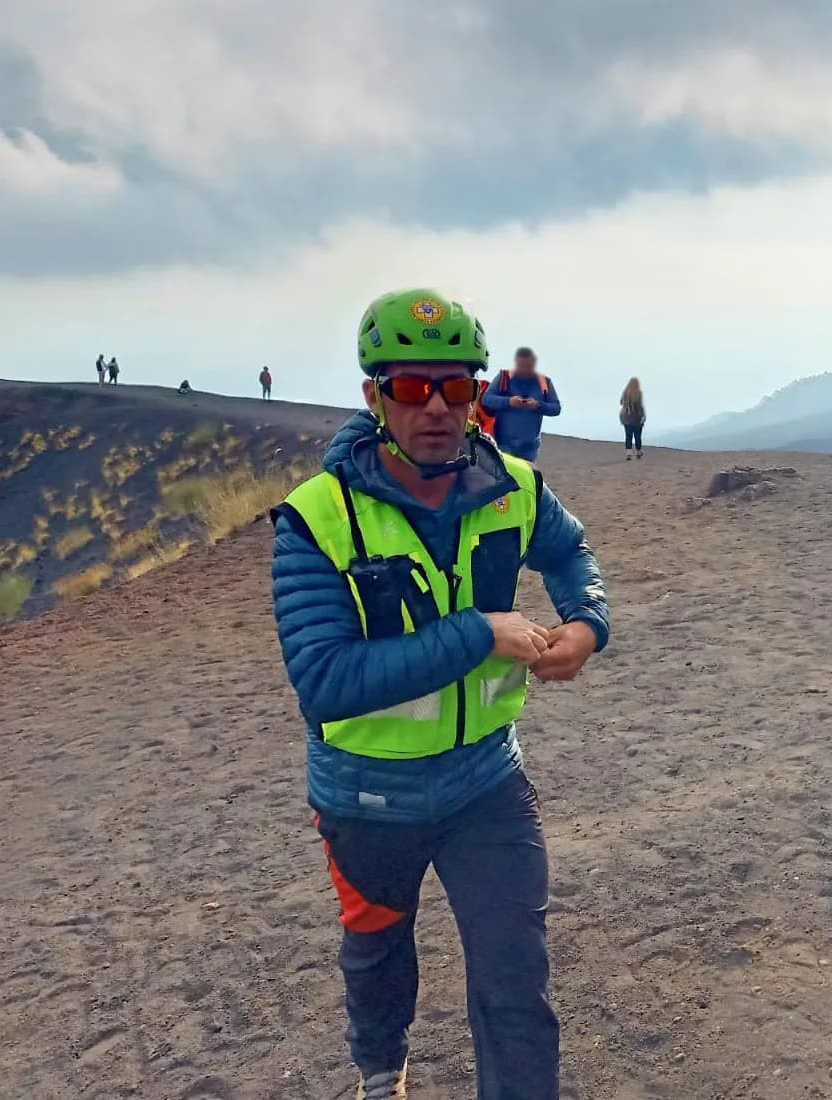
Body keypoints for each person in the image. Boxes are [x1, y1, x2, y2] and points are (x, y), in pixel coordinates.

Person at [268, 287, 610, 1099]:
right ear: (373, 397)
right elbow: (323, 680)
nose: (436, 407)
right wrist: (480, 633)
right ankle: (382, 1071)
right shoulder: (318, 519)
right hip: (364, 797)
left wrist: (588, 621)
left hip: (486, 783)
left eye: (456, 386)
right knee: (379, 958)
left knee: (514, 982)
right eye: (410, 387)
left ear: (477, 394)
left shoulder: (513, 485)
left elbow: (569, 551)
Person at [479, 347, 561, 463]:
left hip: (530, 447)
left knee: (526, 478)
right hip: (503, 443)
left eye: (528, 366)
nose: (524, 370)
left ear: (534, 364)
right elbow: (486, 399)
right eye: (521, 366)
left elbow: (556, 408)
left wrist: (538, 405)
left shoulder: (544, 382)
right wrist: (509, 402)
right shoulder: (504, 377)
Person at [619, 377, 645, 459]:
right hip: (636, 418)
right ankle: (638, 451)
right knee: (637, 435)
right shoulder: (639, 393)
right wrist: (643, 416)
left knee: (628, 435)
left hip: (626, 417)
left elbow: (621, 402)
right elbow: (640, 406)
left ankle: (629, 452)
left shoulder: (625, 392)